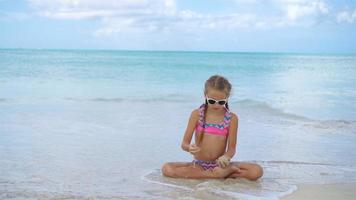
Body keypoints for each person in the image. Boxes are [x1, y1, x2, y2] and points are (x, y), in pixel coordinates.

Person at [162, 75, 263, 180]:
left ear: (227, 98)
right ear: (205, 95)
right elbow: (184, 144)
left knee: (257, 171)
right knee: (167, 168)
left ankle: (217, 173)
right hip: (199, 165)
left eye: (221, 102)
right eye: (211, 101)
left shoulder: (232, 118)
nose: (216, 105)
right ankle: (217, 175)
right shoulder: (196, 114)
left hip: (220, 165)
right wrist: (189, 148)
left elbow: (232, 149)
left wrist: (226, 157)